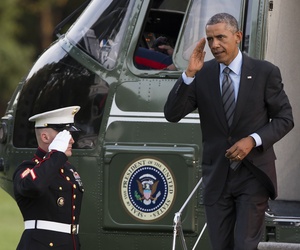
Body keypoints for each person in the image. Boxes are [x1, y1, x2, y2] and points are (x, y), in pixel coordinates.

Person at [164, 13, 294, 250]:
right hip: (217, 178)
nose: (215, 45)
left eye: (221, 37)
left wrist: (253, 140)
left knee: (244, 246)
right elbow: (172, 114)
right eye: (210, 39)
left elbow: (285, 119)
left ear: (237, 37)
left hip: (253, 175)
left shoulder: (265, 72)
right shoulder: (202, 74)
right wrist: (189, 74)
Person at [13, 106, 84, 250]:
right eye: (64, 135)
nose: (71, 141)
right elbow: (35, 185)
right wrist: (56, 154)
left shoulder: (69, 170)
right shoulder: (27, 169)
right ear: (45, 137)